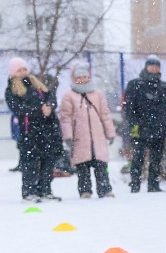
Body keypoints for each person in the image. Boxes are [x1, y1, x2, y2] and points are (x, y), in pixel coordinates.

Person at [5, 57, 63, 202]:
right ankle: (29, 191)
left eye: (24, 69)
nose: (23, 72)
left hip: (48, 129)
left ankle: (45, 190)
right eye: (19, 70)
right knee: (30, 162)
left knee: (48, 161)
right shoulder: (11, 90)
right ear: (13, 73)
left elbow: (51, 97)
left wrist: (49, 106)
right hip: (29, 131)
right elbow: (18, 109)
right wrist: (39, 110)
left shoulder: (38, 85)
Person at [58, 62, 117, 198]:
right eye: (79, 77)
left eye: (85, 76)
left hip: (98, 138)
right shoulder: (69, 96)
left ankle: (105, 190)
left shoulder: (98, 95)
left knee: (101, 166)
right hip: (80, 139)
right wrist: (68, 136)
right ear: (74, 78)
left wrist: (110, 133)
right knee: (82, 167)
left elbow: (105, 115)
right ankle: (85, 191)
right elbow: (65, 118)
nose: (82, 79)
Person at [124, 54, 166, 193]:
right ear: (146, 67)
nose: (154, 68)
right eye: (151, 65)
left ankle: (153, 184)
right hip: (141, 128)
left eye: (157, 66)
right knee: (138, 158)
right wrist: (134, 124)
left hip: (159, 128)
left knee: (156, 159)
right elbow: (129, 107)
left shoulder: (164, 87)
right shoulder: (135, 85)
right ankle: (135, 184)